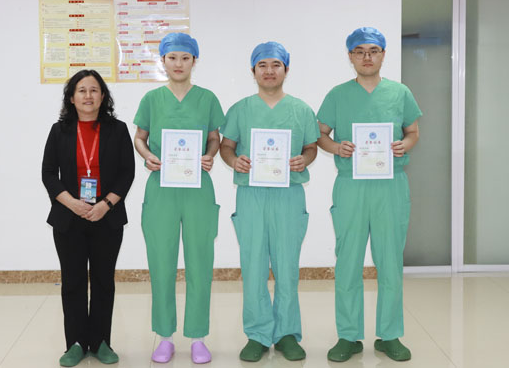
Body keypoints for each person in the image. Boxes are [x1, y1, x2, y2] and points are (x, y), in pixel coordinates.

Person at [317, 27, 422, 363]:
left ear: (383, 55)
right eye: (359, 51)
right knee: (348, 261)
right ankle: (348, 335)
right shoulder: (337, 95)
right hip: (351, 186)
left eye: (373, 50)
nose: (367, 57)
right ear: (350, 56)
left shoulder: (400, 93)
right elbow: (320, 134)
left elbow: (413, 131)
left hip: (390, 186)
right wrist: (337, 147)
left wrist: (404, 145)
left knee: (390, 261)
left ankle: (389, 335)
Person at [220, 41, 320, 362]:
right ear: (253, 71)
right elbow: (226, 146)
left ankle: (287, 333)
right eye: (262, 65)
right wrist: (234, 161)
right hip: (251, 195)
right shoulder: (240, 109)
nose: (269, 71)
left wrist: (305, 159)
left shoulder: (301, 110)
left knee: (287, 266)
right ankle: (258, 334)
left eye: (276, 64)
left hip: (288, 195)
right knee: (253, 266)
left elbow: (311, 147)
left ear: (286, 70)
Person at [133, 32, 225, 364]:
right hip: (162, 188)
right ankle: (165, 336)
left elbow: (214, 138)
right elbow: (139, 137)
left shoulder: (207, 98)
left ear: (194, 61)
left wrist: (210, 155)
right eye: (172, 57)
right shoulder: (152, 99)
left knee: (200, 261)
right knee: (161, 262)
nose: (178, 63)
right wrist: (147, 156)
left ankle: (198, 337)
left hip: (198, 188)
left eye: (185, 58)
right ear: (163, 60)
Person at [41, 69, 135, 367]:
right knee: (73, 282)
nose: (88, 96)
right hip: (69, 218)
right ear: (71, 97)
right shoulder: (60, 130)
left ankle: (101, 342)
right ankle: (76, 344)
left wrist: (106, 204)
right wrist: (71, 202)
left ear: (103, 96)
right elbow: (48, 173)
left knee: (104, 281)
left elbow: (127, 172)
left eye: (94, 90)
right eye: (81, 90)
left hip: (106, 217)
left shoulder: (117, 129)